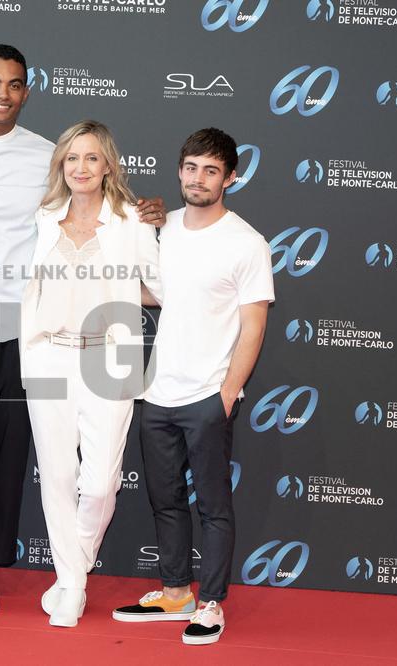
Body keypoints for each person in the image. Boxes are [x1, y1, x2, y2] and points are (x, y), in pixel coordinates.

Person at [0, 44, 166, 617]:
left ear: (28, 92)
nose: (3, 93)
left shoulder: (52, 159)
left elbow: (101, 215)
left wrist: (145, 214)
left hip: (21, 327)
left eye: (15, 84)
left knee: (8, 451)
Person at [112, 128, 274, 645]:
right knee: (165, 500)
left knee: (213, 506)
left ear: (231, 177)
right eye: (190, 167)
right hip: (157, 392)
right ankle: (176, 591)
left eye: (210, 170)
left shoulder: (247, 244)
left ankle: (211, 604)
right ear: (179, 169)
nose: (198, 179)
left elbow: (254, 325)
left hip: (207, 395)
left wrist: (226, 394)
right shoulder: (166, 227)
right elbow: (157, 295)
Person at [20, 120, 161, 627]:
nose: (80, 167)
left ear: (107, 166)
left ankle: (68, 577)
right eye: (72, 157)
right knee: (57, 476)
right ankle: (75, 589)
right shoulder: (44, 215)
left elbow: (160, 287)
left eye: (91, 158)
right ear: (61, 163)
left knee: (100, 483)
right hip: (48, 357)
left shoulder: (132, 220)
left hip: (109, 356)